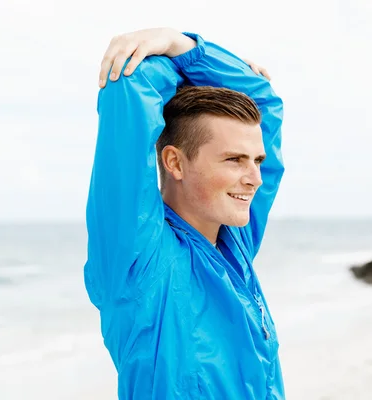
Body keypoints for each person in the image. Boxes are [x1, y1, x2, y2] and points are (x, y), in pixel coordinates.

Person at [84, 27, 285, 399]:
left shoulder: (234, 242)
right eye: (234, 160)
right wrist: (178, 50)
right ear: (174, 162)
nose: (255, 179)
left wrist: (192, 53)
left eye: (256, 160)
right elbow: (130, 83)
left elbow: (265, 102)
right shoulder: (137, 261)